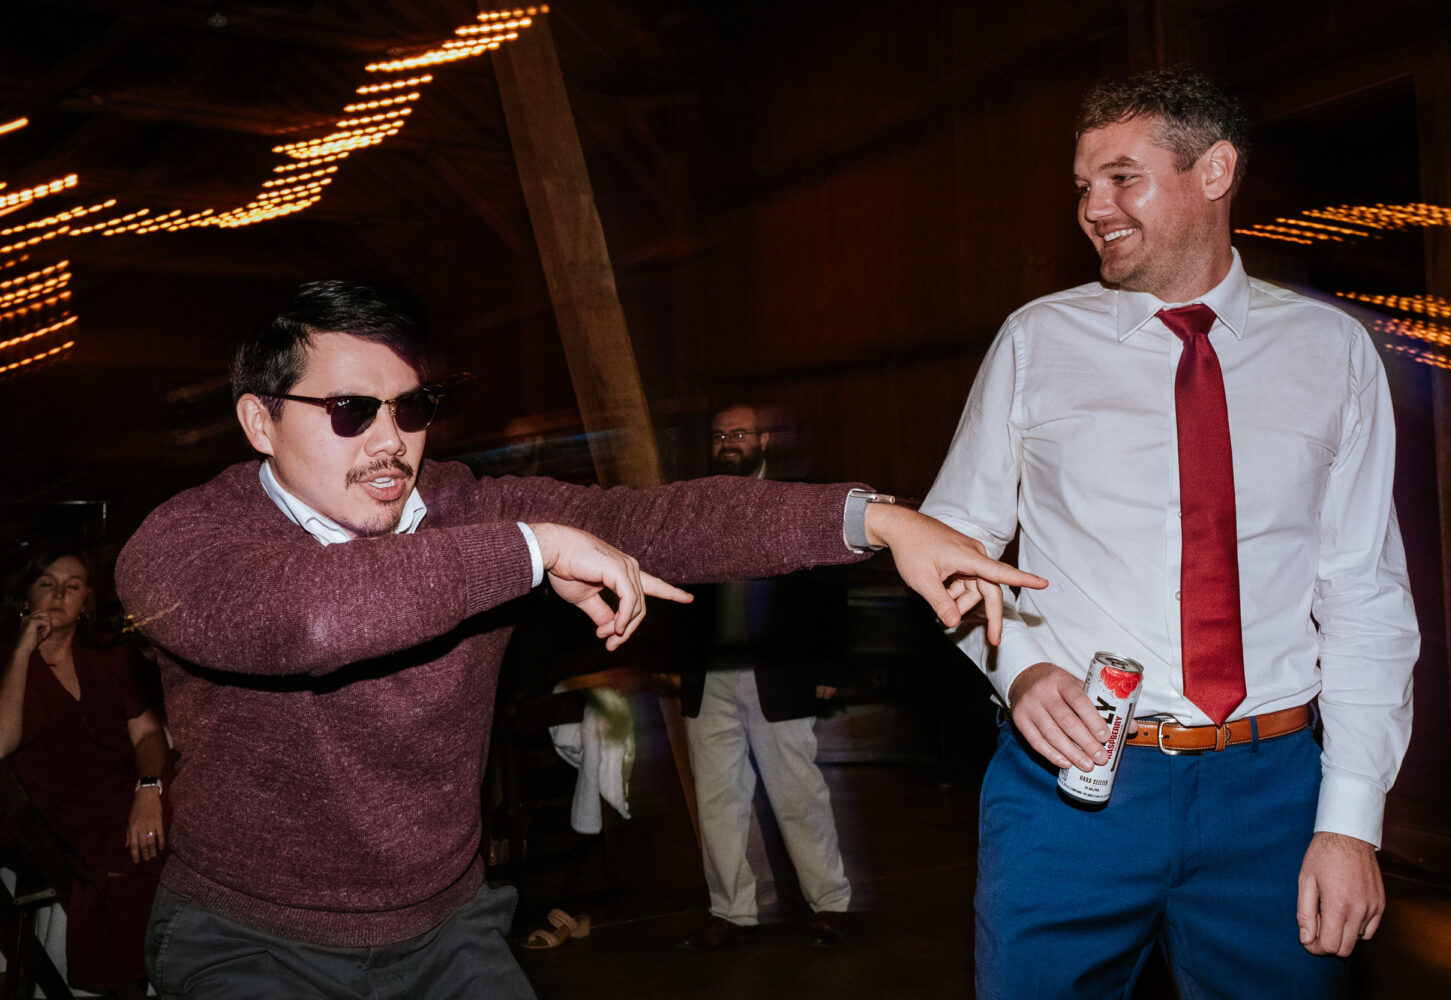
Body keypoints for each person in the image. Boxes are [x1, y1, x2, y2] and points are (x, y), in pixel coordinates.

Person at [114, 280, 1044, 999]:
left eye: (413, 408)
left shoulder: (468, 511)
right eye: (352, 412)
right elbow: (310, 619)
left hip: (447, 931)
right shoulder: (184, 546)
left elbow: (664, 523)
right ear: (258, 420)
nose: (392, 442)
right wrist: (528, 552)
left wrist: (873, 520)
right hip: (252, 939)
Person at [920, 68, 1419, 998]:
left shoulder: (1332, 351)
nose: (1093, 208)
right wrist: (1020, 665)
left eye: (1122, 178)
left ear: (1217, 170)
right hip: (1068, 792)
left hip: (1272, 795)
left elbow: (1364, 593)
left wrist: (1349, 823)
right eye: (1081, 185)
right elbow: (950, 543)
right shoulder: (1037, 340)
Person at [675, 404, 852, 951]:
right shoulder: (698, 504)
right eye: (719, 435)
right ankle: (731, 911)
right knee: (718, 799)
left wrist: (828, 667)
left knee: (797, 794)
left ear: (765, 439)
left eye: (739, 434)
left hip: (779, 671)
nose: (728, 443)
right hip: (712, 676)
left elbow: (827, 588)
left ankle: (830, 906)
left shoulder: (792, 499)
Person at [1, 548, 173, 995]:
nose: (59, 593)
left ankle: (184, 971)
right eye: (47, 583)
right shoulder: (7, 663)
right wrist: (23, 650)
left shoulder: (109, 660)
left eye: (72, 586)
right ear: (25, 596)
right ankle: (131, 982)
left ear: (87, 603)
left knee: (202, 819)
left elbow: (149, 738)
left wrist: (148, 789)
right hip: (58, 814)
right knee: (118, 858)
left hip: (131, 792)